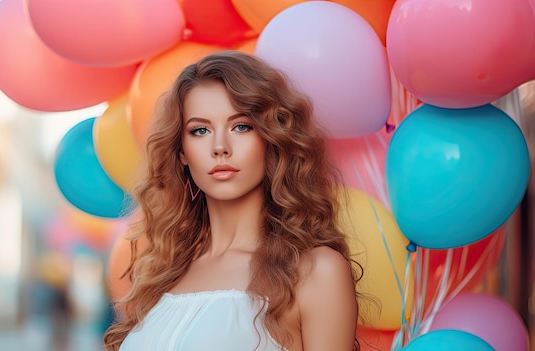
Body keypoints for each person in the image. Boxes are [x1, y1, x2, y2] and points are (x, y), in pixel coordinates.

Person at [104, 50, 362, 351]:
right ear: (182, 152)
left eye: (241, 126)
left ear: (271, 138)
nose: (220, 147)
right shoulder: (161, 272)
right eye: (200, 130)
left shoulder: (316, 271)